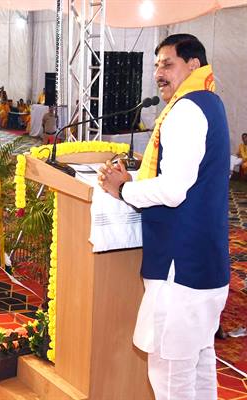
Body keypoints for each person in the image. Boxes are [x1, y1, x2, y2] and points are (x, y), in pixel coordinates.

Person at [98, 34, 229, 400]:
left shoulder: (185, 110)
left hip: (180, 268)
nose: (158, 73)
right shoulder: (210, 102)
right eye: (156, 65)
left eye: (168, 64)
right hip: (206, 263)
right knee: (199, 364)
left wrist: (124, 189)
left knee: (171, 377)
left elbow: (173, 190)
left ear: (193, 65)